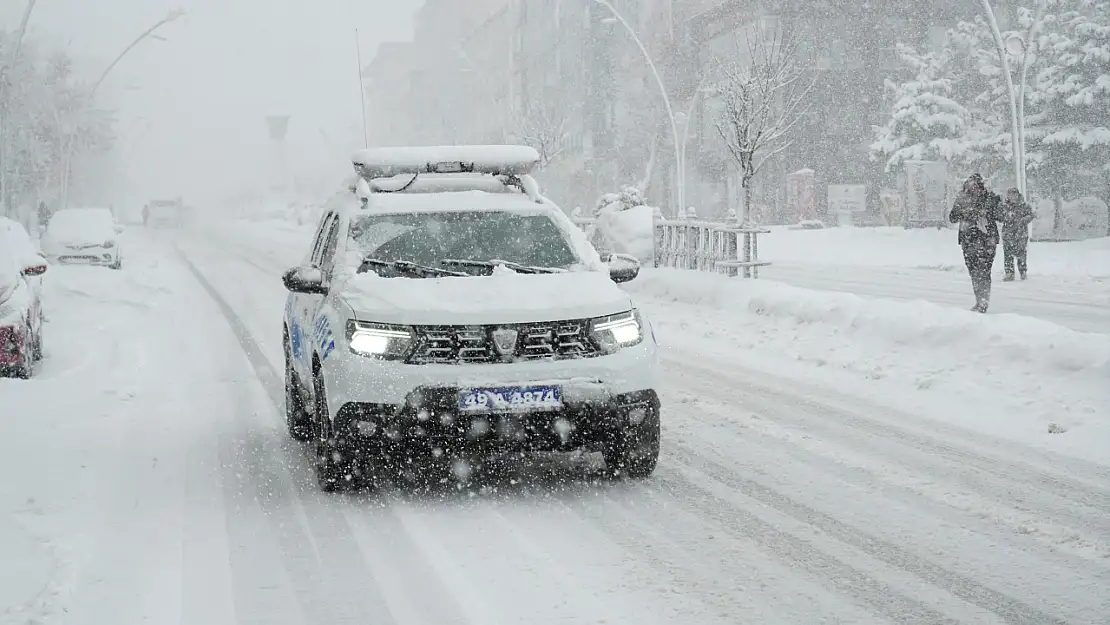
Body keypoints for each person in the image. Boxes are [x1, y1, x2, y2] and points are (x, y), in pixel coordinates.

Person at [949, 173, 1004, 313]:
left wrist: (990, 210)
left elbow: (1000, 216)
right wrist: (965, 212)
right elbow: (952, 217)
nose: (973, 189)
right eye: (970, 186)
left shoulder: (991, 199)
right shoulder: (963, 199)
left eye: (976, 186)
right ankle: (979, 299)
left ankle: (983, 300)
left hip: (987, 239)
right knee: (973, 271)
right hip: (968, 239)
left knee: (984, 270)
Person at [1000, 187, 1034, 281]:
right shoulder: (1004, 206)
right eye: (1010, 194)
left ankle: (1023, 271)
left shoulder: (1024, 205)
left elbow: (1031, 215)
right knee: (1008, 254)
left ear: (1017, 195)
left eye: (1014, 194)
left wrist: (1023, 220)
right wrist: (1006, 217)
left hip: (1021, 233)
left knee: (1021, 253)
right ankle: (1009, 273)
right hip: (1008, 233)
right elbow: (999, 215)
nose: (1012, 196)